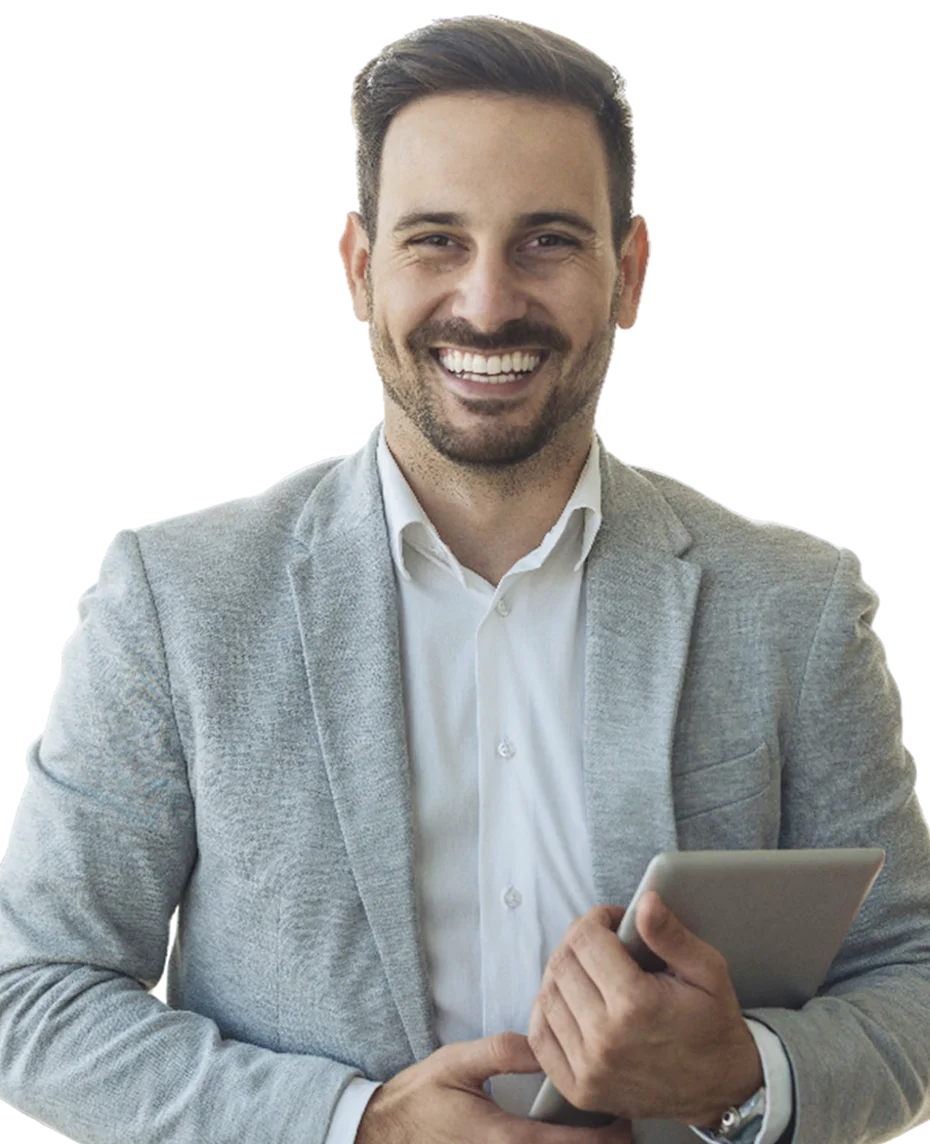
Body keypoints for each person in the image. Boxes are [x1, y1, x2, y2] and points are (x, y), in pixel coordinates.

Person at [2, 15, 928, 1144]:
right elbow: (33, 997)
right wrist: (357, 1124)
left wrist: (745, 1071)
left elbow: (910, 978)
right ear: (359, 269)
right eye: (436, 240)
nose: (487, 304)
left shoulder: (797, 605)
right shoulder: (178, 601)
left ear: (631, 274)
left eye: (548, 241)